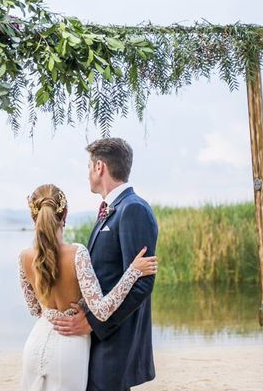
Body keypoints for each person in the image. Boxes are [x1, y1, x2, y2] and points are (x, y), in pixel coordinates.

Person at [19, 183, 158, 391]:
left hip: (36, 344)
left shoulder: (24, 257)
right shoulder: (77, 253)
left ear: (33, 217)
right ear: (64, 214)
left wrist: (52, 310)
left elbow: (34, 309)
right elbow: (101, 311)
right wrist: (132, 272)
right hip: (69, 348)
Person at [51, 138, 159, 390]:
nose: (88, 173)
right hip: (101, 337)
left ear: (100, 167)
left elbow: (142, 285)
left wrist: (92, 323)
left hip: (116, 341)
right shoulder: (111, 209)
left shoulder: (133, 209)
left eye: (89, 166)